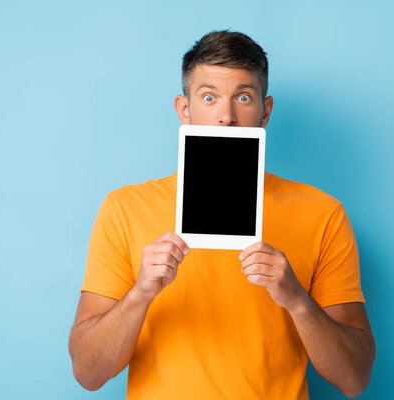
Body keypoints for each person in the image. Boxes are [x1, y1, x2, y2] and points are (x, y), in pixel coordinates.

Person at [68, 30, 376, 399]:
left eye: (243, 97)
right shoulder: (125, 208)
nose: (226, 117)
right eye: (209, 97)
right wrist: (140, 294)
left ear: (266, 110)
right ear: (185, 109)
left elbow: (355, 378)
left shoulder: (323, 213)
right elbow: (88, 372)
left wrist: (296, 298)